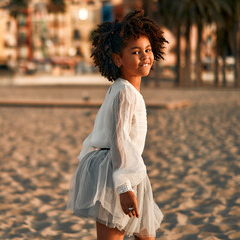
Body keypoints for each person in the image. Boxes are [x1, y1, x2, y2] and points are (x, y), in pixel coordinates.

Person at [67, 10, 168, 240]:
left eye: (148, 50)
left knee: (146, 234)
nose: (145, 56)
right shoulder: (124, 92)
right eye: (135, 52)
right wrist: (123, 188)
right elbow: (118, 138)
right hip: (115, 172)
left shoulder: (124, 89)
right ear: (117, 59)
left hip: (131, 169)